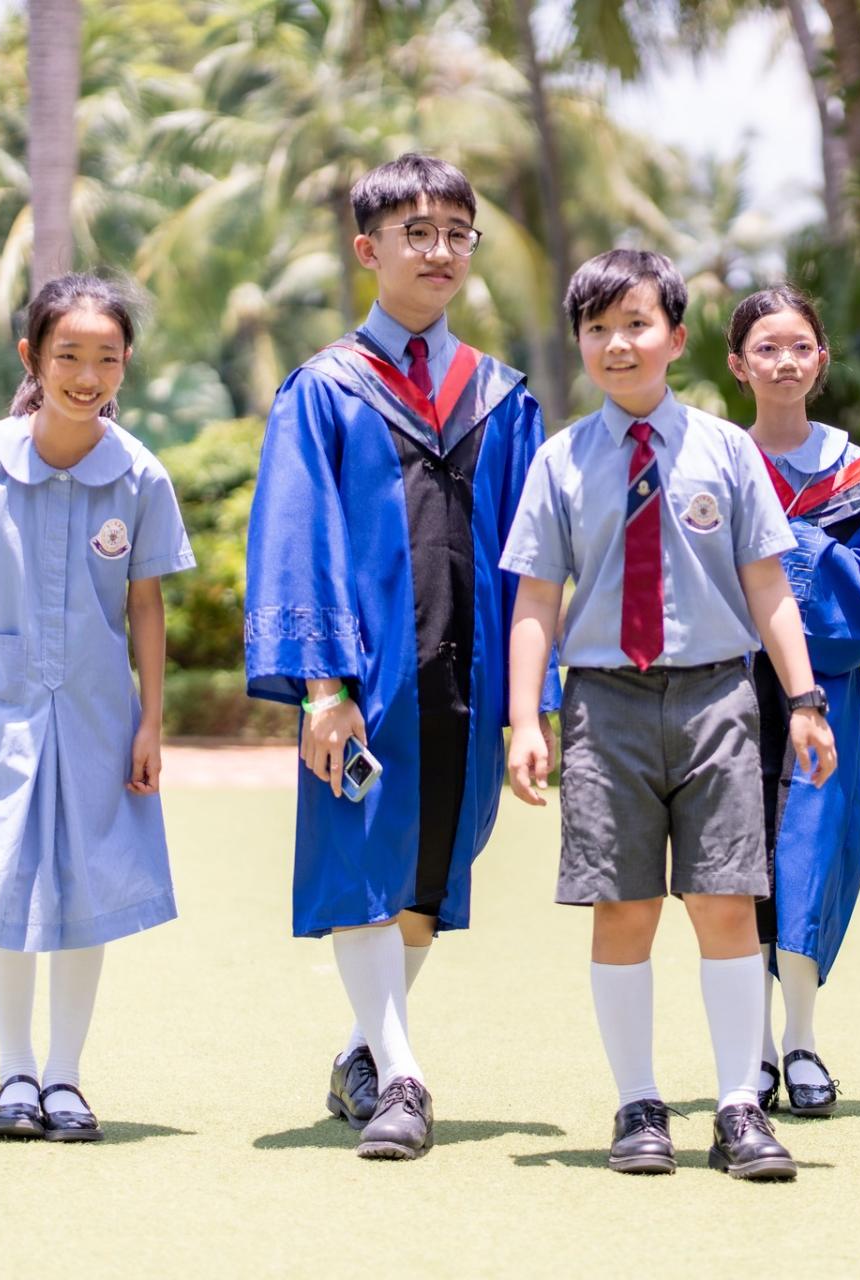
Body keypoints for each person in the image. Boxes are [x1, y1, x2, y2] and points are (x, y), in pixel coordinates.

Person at [501, 249, 838, 1181]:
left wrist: (804, 699)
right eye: (598, 328)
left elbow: (767, 584)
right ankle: (639, 1105)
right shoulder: (561, 461)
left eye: (637, 325)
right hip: (603, 706)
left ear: (677, 338)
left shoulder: (726, 452)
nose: (618, 344)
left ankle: (738, 1106)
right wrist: (527, 719)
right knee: (623, 908)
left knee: (725, 903)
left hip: (715, 698)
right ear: (580, 342)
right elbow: (536, 599)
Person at [242, 153, 550, 1160]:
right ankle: (405, 1077)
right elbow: (297, 538)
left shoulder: (500, 398)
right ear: (367, 249)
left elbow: (534, 561)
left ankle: (361, 1052)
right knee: (366, 861)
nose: (440, 250)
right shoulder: (324, 390)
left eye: (457, 232)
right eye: (416, 232)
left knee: (427, 875)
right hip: (367, 677)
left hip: (468, 674)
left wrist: (529, 701)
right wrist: (321, 687)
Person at [0, 273, 194, 1143]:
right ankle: (14, 1075)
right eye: (68, 355)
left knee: (86, 879)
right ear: (32, 357)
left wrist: (151, 722)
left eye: (107, 358)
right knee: (3, 876)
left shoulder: (140, 475)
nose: (87, 376)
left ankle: (65, 1077)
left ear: (126, 364)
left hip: (101, 714)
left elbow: (146, 605)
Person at [724, 285, 860, 1117]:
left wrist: (793, 547)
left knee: (808, 856)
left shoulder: (855, 475)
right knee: (736, 862)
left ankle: (800, 1039)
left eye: (800, 346)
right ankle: (754, 1048)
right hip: (728, 694)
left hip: (821, 693)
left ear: (822, 359)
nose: (785, 362)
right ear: (738, 365)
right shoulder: (720, 462)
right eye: (766, 348)